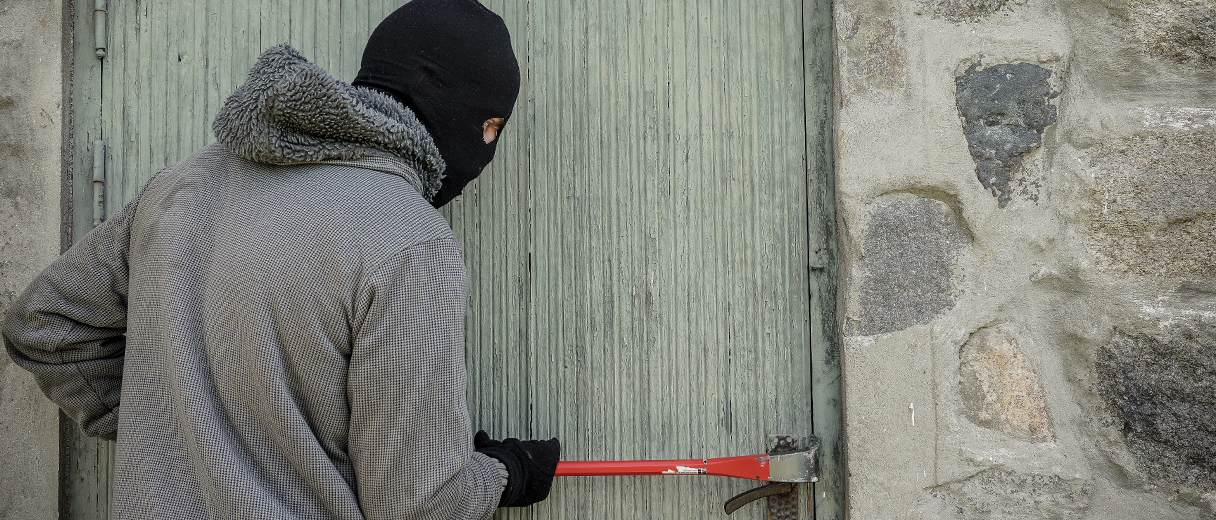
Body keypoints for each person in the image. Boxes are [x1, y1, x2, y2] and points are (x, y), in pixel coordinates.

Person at [1, 0, 558, 517]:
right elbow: (419, 503)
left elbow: (46, 325)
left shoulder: (183, 187)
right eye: (489, 127)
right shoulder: (409, 240)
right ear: (436, 94)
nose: (486, 148)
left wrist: (177, 422)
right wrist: (505, 475)